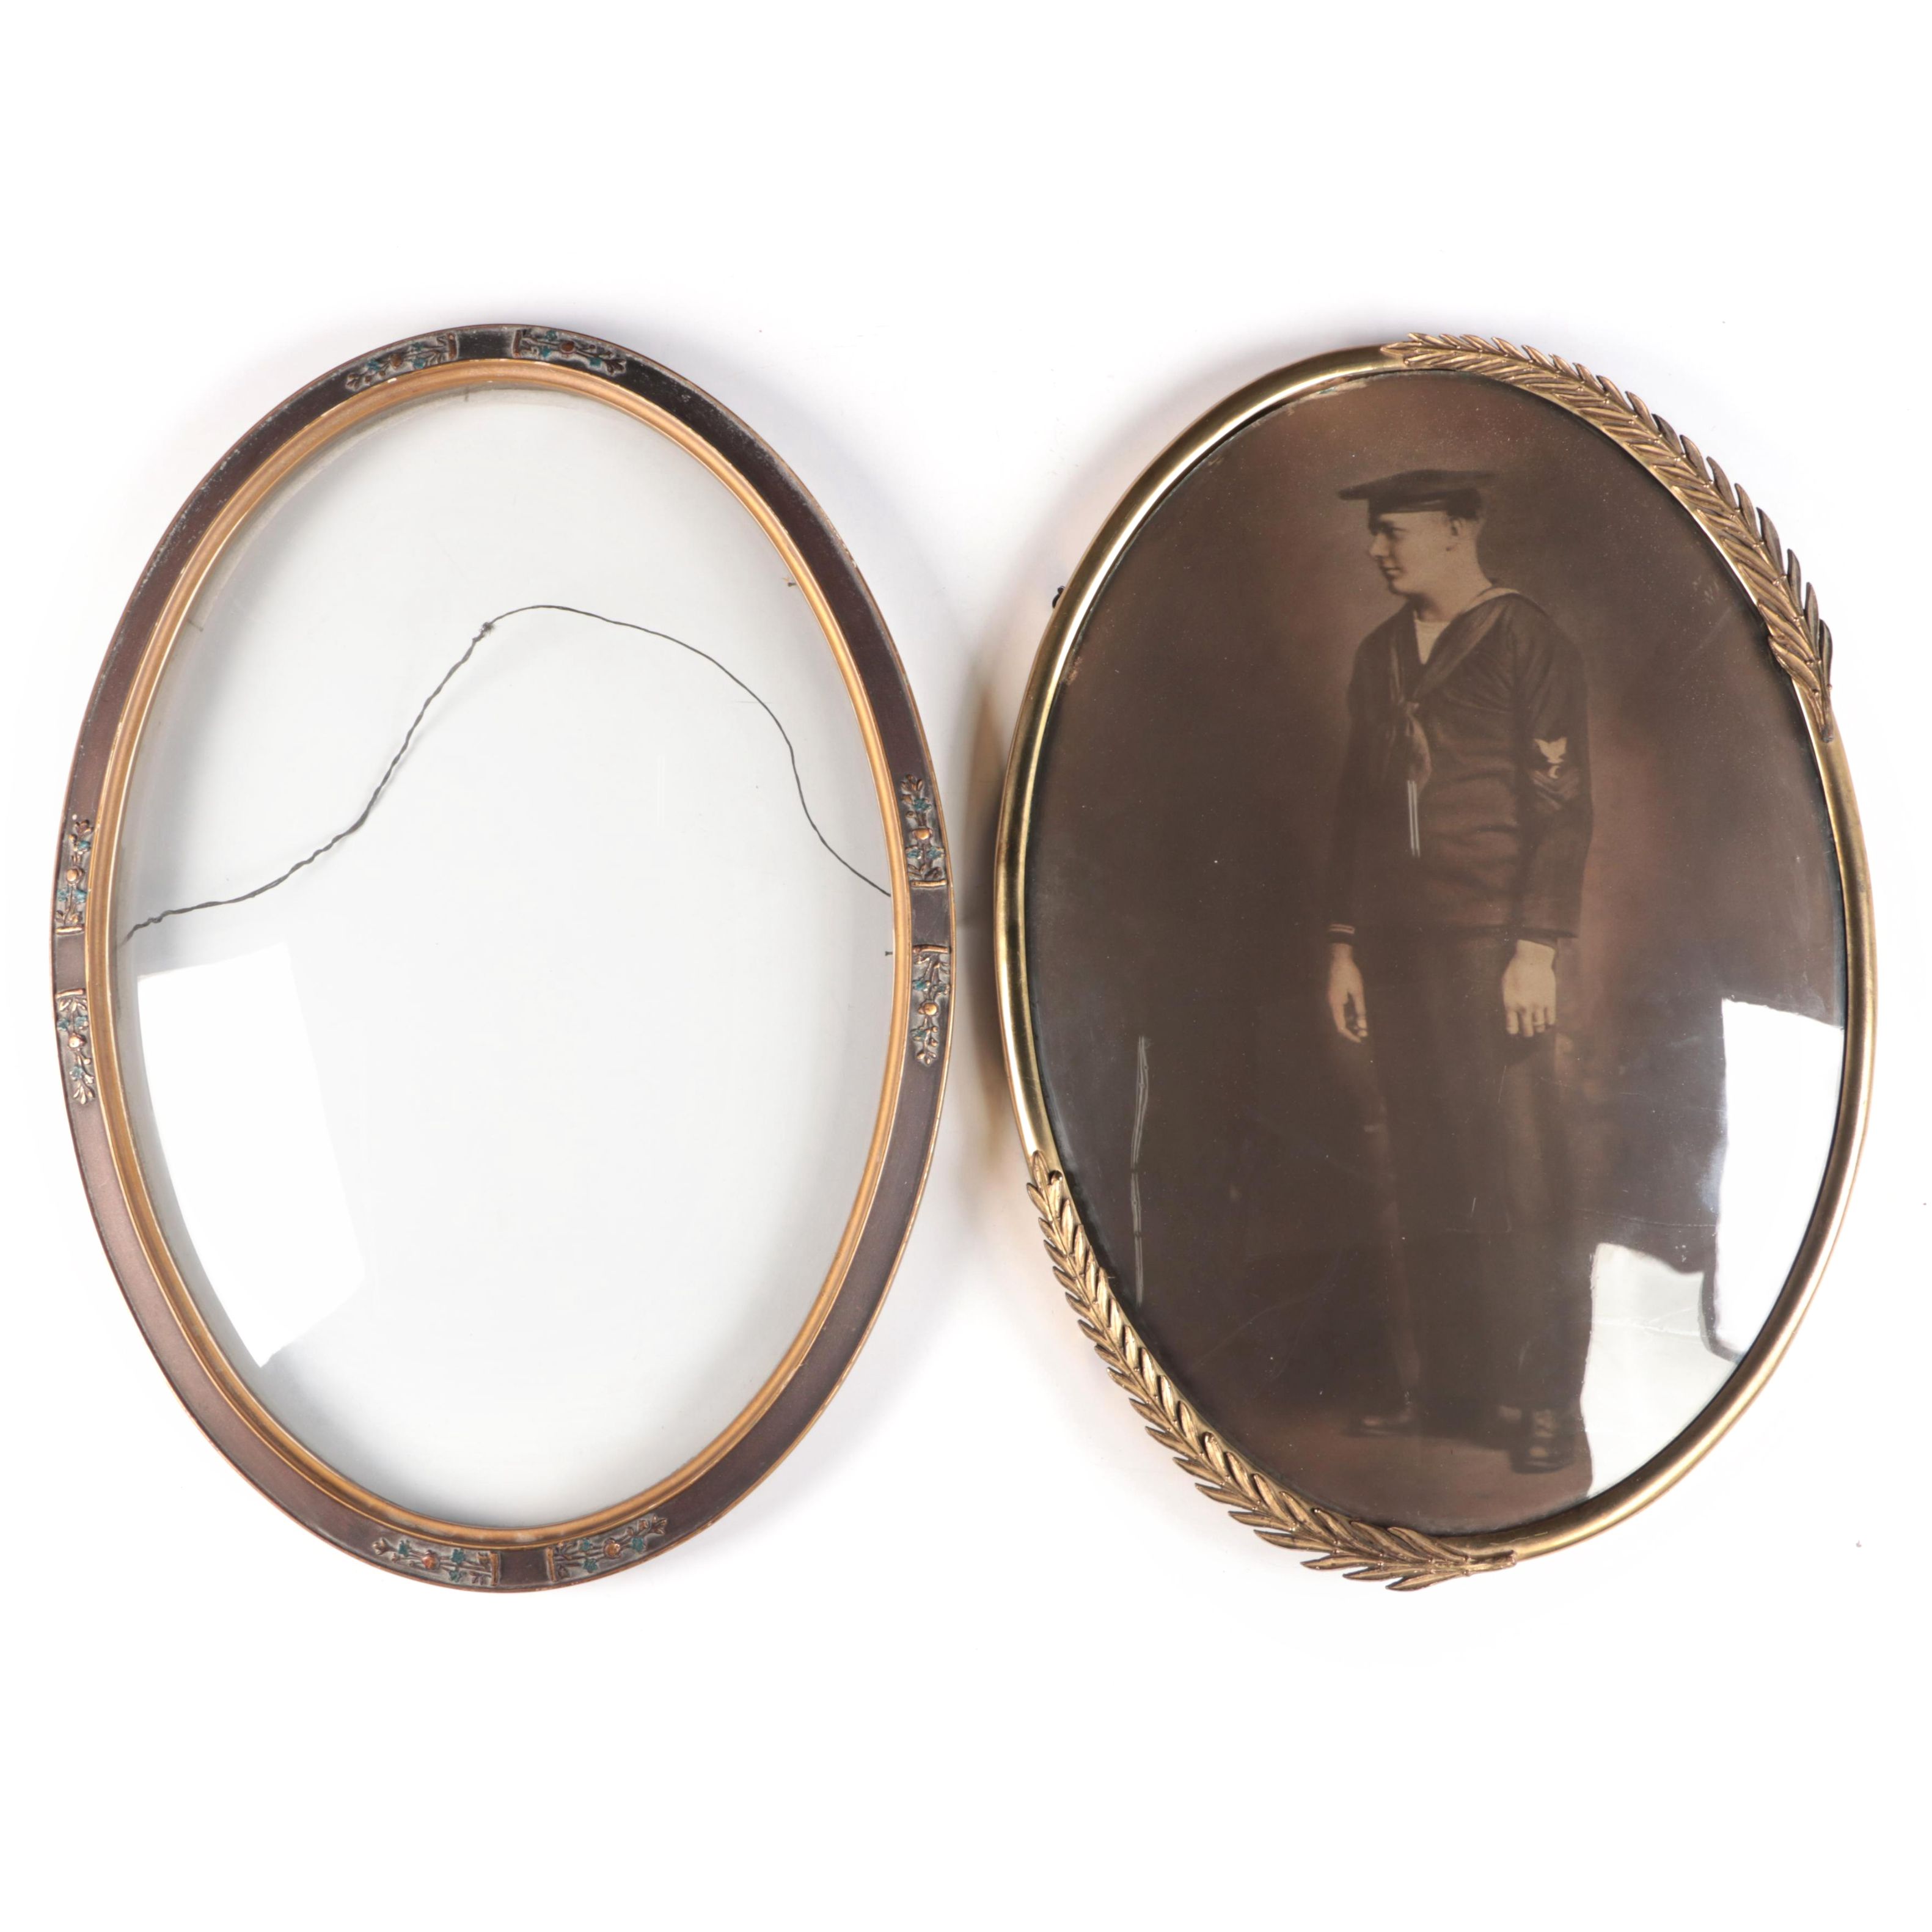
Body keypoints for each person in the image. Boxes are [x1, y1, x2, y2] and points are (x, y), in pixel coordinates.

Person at [1323, 470, 1594, 1476]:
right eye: (1372, 534)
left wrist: (1534, 947)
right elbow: (1356, 804)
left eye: (1395, 532)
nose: (1377, 550)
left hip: (1493, 947)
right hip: (1397, 949)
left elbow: (1564, 807)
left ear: (1455, 530)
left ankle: (1544, 1405)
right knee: (1428, 1167)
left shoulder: (1526, 638)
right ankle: (1449, 1386)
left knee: (1519, 1174)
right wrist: (1343, 946)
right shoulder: (1379, 653)